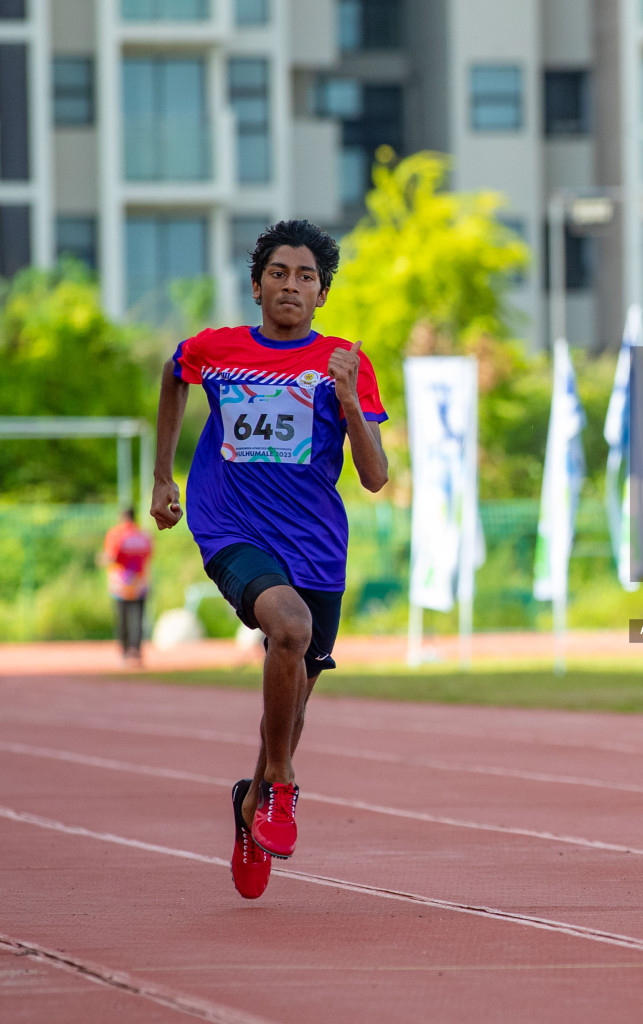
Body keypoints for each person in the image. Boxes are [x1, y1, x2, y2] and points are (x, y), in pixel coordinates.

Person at [150, 220, 389, 898]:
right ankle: (281, 785)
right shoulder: (217, 350)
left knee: (298, 682)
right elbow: (174, 375)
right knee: (287, 627)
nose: (291, 284)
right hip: (230, 528)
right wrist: (164, 478)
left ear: (321, 294)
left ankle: (253, 800)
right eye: (279, 273)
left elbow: (374, 477)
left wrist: (345, 399)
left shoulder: (345, 361)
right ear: (257, 286)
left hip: (315, 545)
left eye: (306, 276)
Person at [101, 507, 153, 665]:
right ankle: (136, 650)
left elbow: (110, 556)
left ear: (121, 517)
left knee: (122, 619)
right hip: (140, 582)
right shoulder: (143, 535)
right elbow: (149, 555)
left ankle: (124, 652)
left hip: (121, 584)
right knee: (138, 618)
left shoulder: (116, 534)